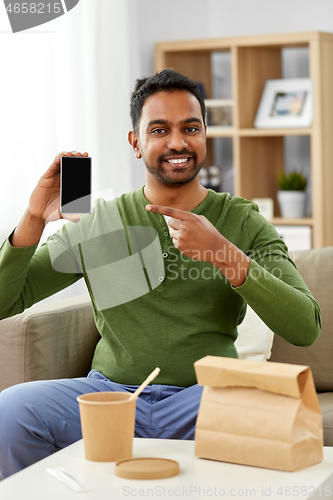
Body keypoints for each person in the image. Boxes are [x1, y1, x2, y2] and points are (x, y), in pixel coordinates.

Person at [0, 69, 321, 479]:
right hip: (110, 397)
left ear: (205, 136)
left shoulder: (243, 222)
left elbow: (305, 326)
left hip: (204, 398)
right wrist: (32, 219)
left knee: (282, 413)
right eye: (159, 129)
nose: (177, 142)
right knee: (11, 410)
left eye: (191, 127)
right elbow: (5, 302)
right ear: (136, 143)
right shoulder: (100, 222)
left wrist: (225, 254)